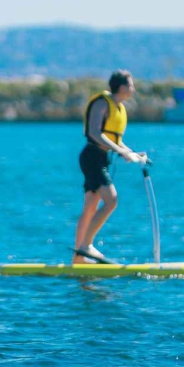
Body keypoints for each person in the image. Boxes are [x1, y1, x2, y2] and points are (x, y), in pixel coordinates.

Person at [73, 70, 148, 264]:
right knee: (111, 200)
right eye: (131, 85)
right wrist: (120, 151)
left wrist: (132, 152)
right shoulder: (102, 103)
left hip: (103, 158)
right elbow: (94, 132)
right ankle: (85, 246)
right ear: (122, 87)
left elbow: (115, 139)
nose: (133, 89)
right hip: (92, 157)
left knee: (90, 207)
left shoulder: (119, 108)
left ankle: (78, 258)